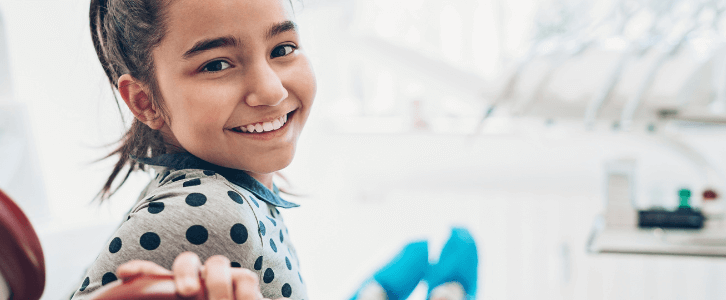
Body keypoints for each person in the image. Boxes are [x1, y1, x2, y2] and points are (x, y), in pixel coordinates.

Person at [74, 0, 477, 299]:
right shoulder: (210, 214)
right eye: (216, 64)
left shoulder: (226, 187)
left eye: (283, 49)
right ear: (145, 102)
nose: (271, 89)